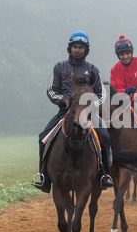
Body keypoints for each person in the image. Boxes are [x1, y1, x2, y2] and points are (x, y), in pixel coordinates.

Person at [32, 30, 114, 192]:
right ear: (70, 48)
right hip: (64, 113)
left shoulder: (93, 69)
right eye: (75, 47)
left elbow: (101, 94)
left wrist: (87, 105)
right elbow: (51, 90)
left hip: (88, 114)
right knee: (43, 138)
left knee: (104, 137)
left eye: (81, 47)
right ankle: (44, 176)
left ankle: (104, 175)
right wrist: (64, 101)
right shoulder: (59, 67)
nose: (77, 50)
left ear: (86, 50)